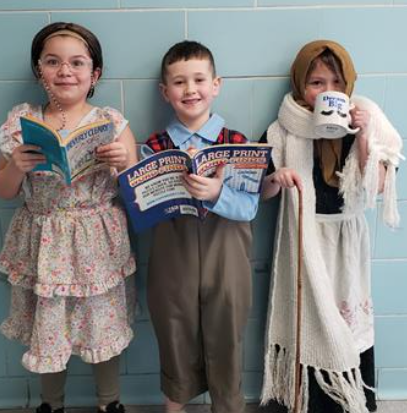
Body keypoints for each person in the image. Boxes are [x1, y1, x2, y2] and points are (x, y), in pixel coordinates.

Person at [0, 22, 137, 413]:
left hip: (97, 241)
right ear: (39, 71)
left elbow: (138, 192)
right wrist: (17, 167)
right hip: (44, 239)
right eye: (52, 62)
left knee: (100, 323)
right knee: (49, 323)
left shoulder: (111, 121)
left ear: (95, 74)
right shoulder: (23, 121)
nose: (65, 71)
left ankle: (110, 403)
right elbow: (3, 190)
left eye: (77, 63)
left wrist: (123, 165)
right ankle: (50, 404)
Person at [260, 40, 403, 413]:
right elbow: (260, 193)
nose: (327, 92)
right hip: (302, 240)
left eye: (336, 83)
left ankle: (348, 401)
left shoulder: (365, 119)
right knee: (307, 319)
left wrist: (363, 137)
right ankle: (303, 402)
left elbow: (381, 185)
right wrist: (277, 178)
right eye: (316, 83)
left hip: (345, 240)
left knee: (347, 324)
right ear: (300, 85)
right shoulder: (282, 129)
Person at [142, 40, 258, 413]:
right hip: (172, 251)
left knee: (227, 331)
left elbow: (250, 207)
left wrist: (216, 192)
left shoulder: (238, 143)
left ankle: (228, 406)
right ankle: (174, 405)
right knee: (173, 330)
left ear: (216, 84)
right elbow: (143, 212)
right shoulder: (154, 146)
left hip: (227, 251)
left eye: (198, 80)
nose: (190, 90)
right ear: (165, 92)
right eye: (179, 82)